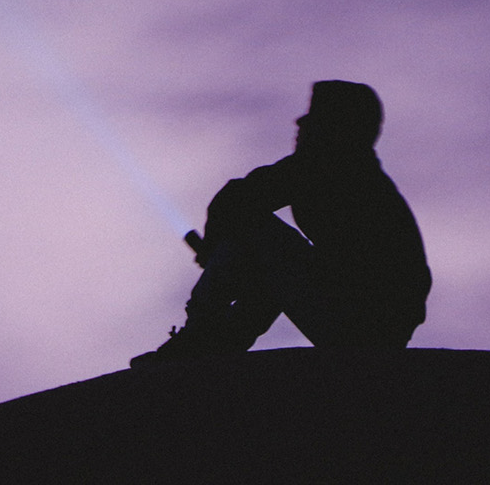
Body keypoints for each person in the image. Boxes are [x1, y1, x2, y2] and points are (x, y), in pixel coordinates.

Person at [131, 80, 430, 367]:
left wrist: (214, 251)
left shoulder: (331, 167)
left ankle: (200, 336)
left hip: (364, 325)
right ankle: (208, 344)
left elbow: (237, 199)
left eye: (314, 117)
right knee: (268, 263)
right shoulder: (350, 172)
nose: (300, 123)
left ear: (337, 127)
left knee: (255, 230)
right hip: (369, 323)